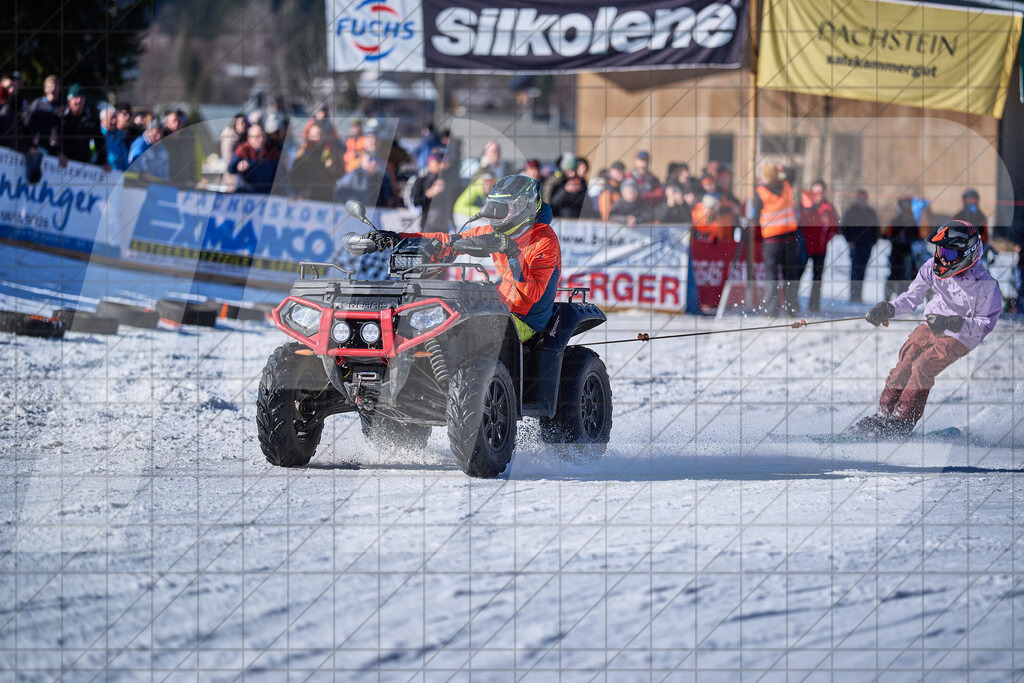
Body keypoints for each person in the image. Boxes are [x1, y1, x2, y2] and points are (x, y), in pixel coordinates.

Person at [364, 175, 561, 342]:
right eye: (494, 206)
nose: (496, 214)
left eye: (504, 208)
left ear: (524, 207)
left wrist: (512, 253)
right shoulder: (496, 231)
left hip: (525, 318)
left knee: (467, 335)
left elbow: (531, 295)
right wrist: (399, 238)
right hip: (499, 305)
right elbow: (447, 241)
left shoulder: (544, 240)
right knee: (440, 318)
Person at [857, 220, 1000, 437]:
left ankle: (901, 422)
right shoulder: (931, 267)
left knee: (923, 366)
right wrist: (889, 309)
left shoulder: (986, 286)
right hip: (932, 324)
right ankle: (883, 415)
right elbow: (912, 297)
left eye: (950, 254)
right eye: (940, 250)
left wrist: (956, 323)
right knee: (906, 362)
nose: (942, 257)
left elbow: (983, 327)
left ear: (967, 253)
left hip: (961, 335)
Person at [754, 162, 800, 316]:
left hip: (772, 240)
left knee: (771, 275)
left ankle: (771, 310)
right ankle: (791, 307)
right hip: (790, 238)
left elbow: (755, 216)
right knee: (790, 274)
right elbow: (792, 171)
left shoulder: (760, 192)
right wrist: (781, 168)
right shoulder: (786, 185)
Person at [797, 179, 840, 312]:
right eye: (815, 191)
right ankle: (793, 302)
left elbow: (834, 228)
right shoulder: (803, 206)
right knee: (798, 274)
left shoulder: (828, 207)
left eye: (820, 192)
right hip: (804, 247)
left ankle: (814, 305)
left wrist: (827, 237)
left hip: (820, 248)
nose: (818, 194)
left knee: (817, 277)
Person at [57, 84, 108, 170]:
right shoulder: (60, 115)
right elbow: (54, 136)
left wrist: (103, 162)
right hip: (61, 163)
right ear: (69, 100)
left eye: (82, 97)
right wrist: (58, 153)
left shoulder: (91, 116)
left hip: (82, 163)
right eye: (76, 97)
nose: (79, 100)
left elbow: (99, 140)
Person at [842, 189, 879, 304]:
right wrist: (849, 240)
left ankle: (859, 295)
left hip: (867, 246)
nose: (862, 200)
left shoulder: (870, 212)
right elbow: (844, 227)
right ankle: (853, 296)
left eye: (864, 198)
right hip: (855, 246)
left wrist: (873, 241)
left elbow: (876, 228)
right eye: (860, 198)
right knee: (855, 270)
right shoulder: (851, 212)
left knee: (863, 270)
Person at [289, 123, 339, 201]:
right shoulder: (302, 153)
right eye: (316, 134)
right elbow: (294, 175)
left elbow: (339, 174)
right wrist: (301, 190)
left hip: (326, 196)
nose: (318, 137)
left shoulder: (330, 152)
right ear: (309, 136)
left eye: (321, 134)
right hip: (306, 197)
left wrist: (332, 166)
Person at [883, 196, 920, 300]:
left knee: (908, 274)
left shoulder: (912, 221)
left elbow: (917, 236)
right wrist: (896, 239)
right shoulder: (896, 221)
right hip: (896, 251)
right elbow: (887, 234)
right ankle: (890, 296)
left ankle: (903, 297)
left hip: (907, 251)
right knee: (895, 274)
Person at [228, 124, 280, 193]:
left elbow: (280, 175)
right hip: (246, 194)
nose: (261, 139)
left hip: (265, 195)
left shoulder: (272, 151)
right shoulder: (243, 149)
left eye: (263, 136)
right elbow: (230, 169)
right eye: (257, 137)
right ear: (249, 138)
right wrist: (238, 166)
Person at [411, 153, 455, 229]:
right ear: (430, 163)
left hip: (444, 226)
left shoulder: (448, 181)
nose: (441, 166)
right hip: (427, 225)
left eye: (443, 163)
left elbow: (450, 205)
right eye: (438, 163)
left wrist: (453, 224)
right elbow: (415, 202)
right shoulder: (421, 180)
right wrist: (429, 194)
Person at [24, 75, 61, 154]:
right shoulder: (38, 104)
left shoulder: (63, 107)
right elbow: (27, 125)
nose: (53, 89)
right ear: (45, 89)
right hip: (36, 148)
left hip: (54, 151)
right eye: (50, 86)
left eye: (55, 86)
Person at [220, 113, 248, 189]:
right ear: (235, 124)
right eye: (240, 123)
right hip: (232, 176)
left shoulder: (241, 137)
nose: (243, 126)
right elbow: (227, 157)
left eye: (244, 123)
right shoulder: (230, 138)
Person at [100, 106, 129, 171]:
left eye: (115, 118)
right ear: (103, 120)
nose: (115, 121)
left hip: (120, 176)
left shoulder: (120, 137)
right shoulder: (98, 136)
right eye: (112, 118)